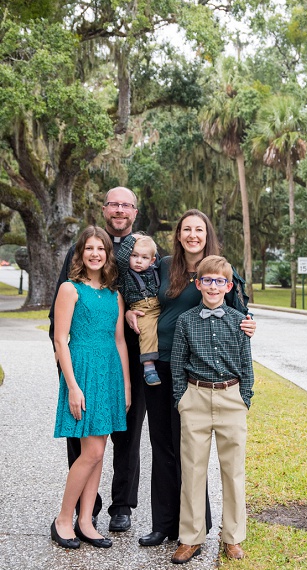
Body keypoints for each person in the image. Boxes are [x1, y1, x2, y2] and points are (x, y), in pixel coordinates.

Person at [129, 209, 256, 547]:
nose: (192, 235)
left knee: (192, 452)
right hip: (159, 365)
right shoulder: (165, 265)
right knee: (163, 446)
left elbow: (240, 308)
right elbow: (142, 294)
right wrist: (130, 310)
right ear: (179, 234)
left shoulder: (216, 269)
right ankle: (164, 524)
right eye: (186, 229)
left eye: (198, 230)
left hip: (197, 372)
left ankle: (199, 524)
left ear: (206, 234)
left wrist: (250, 321)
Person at [47, 187, 146, 533]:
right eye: (113, 204)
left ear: (135, 211)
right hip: (83, 366)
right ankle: (71, 515)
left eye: (126, 205)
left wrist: (133, 379)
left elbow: (150, 304)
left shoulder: (142, 252)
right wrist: (67, 375)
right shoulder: (72, 283)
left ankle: (114, 509)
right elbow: (59, 328)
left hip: (121, 367)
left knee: (118, 443)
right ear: (104, 209)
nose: (119, 210)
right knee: (86, 446)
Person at [169, 256, 254, 564]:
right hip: (196, 399)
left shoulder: (239, 320)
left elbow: (246, 363)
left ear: (228, 286)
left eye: (220, 281)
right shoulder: (186, 321)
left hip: (231, 398)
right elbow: (177, 364)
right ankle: (191, 538)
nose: (213, 286)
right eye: (208, 280)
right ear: (198, 284)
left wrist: (245, 396)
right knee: (192, 471)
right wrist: (182, 398)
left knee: (233, 472)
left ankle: (232, 538)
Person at [51, 227, 129, 550]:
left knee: (99, 453)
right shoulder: (70, 290)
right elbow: (60, 339)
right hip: (82, 371)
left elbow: (120, 340)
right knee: (91, 451)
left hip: (109, 372)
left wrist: (125, 384)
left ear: (108, 255)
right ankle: (63, 520)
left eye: (101, 248)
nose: (95, 253)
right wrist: (72, 385)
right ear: (80, 253)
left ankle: (86, 521)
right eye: (89, 248)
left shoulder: (115, 294)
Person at [120, 233, 162, 385]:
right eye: (134, 256)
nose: (138, 261)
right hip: (142, 309)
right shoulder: (125, 274)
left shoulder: (155, 270)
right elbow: (121, 259)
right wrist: (132, 238)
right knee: (147, 332)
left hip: (159, 306)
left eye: (144, 258)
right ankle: (148, 366)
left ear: (152, 260)